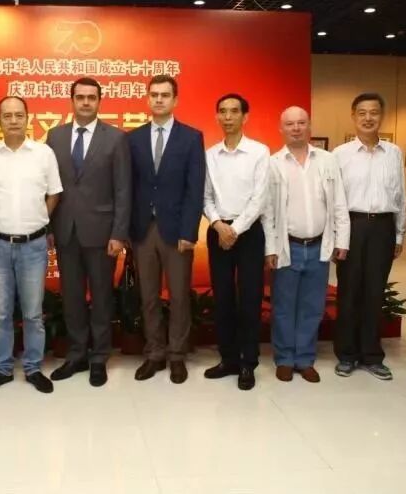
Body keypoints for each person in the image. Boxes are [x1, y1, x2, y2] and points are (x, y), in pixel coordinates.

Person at [0, 96, 63, 394]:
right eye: (7, 115)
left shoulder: (44, 154)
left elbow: (54, 193)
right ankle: (2, 369)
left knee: (33, 313)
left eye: (19, 115)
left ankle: (33, 368)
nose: (13, 120)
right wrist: (0, 220)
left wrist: (39, 219)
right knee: (0, 313)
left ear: (28, 118)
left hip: (33, 246)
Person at [46, 77, 131, 387]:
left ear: (99, 101)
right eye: (80, 97)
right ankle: (77, 353)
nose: (85, 102)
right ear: (72, 100)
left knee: (102, 297)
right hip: (65, 230)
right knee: (71, 297)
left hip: (102, 233)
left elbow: (123, 189)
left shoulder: (116, 138)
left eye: (91, 97)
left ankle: (99, 357)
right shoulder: (55, 136)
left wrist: (119, 233)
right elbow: (47, 185)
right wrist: (49, 227)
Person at [127, 74, 205, 384]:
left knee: (179, 297)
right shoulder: (132, 138)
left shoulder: (191, 138)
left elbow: (195, 189)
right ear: (147, 98)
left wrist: (190, 231)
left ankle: (177, 355)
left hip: (177, 231)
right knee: (148, 296)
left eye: (165, 95)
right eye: (154, 94)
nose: (159, 99)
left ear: (175, 100)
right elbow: (128, 187)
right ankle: (155, 353)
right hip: (142, 230)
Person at [263, 106, 350, 383]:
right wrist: (270, 248)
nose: (296, 128)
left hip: (318, 246)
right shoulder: (273, 163)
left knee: (312, 307)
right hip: (287, 246)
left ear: (309, 126)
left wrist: (342, 239)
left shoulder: (327, 160)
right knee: (284, 306)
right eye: (290, 124)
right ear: (281, 129)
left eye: (301, 123)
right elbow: (268, 211)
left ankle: (305, 359)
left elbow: (339, 202)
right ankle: (285, 359)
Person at [332, 93, 406, 380]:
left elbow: (400, 196)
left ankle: (372, 356)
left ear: (381, 116)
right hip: (351, 225)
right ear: (353, 116)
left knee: (375, 293)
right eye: (362, 113)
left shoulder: (394, 153)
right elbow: (335, 199)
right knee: (349, 292)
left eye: (374, 112)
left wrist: (399, 234)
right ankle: (347, 355)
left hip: (383, 227)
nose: (368, 118)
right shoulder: (340, 154)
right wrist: (337, 238)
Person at [202, 93, 269, 390]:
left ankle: (248, 362)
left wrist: (235, 230)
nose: (227, 117)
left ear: (245, 116)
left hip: (249, 233)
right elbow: (205, 196)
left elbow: (259, 198)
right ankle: (228, 359)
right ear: (217, 116)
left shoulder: (259, 152)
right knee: (223, 298)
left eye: (234, 111)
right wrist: (219, 225)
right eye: (222, 111)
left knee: (250, 298)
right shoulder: (210, 154)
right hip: (218, 231)